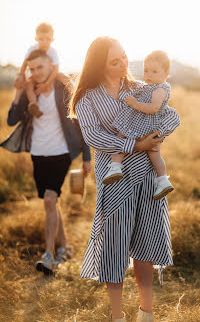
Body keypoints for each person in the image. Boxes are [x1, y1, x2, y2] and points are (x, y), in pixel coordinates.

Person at [69, 37, 173, 322]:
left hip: (146, 178)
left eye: (124, 57)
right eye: (115, 61)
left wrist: (157, 135)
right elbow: (92, 137)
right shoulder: (87, 97)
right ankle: (117, 317)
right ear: (98, 65)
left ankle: (146, 313)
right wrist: (133, 144)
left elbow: (161, 119)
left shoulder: (143, 89)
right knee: (114, 246)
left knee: (146, 243)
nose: (123, 64)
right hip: (114, 180)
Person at [0, 49, 91, 275]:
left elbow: (81, 123)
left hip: (62, 152)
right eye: (32, 68)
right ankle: (66, 247)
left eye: (40, 67)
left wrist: (87, 157)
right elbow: (12, 119)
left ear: (51, 64)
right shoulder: (32, 90)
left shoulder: (63, 88)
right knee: (53, 200)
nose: (36, 72)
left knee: (50, 200)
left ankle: (48, 255)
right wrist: (17, 92)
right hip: (38, 153)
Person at [102, 50, 180, 200]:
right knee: (154, 153)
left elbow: (153, 108)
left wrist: (134, 103)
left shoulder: (159, 90)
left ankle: (115, 166)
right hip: (149, 127)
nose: (148, 75)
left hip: (143, 124)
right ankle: (162, 180)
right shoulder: (150, 86)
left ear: (166, 73)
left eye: (154, 71)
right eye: (146, 70)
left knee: (121, 137)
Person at [14, 22, 72, 118]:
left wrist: (46, 84)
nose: (44, 42)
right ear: (36, 39)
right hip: (36, 74)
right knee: (29, 85)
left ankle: (74, 93)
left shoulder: (53, 52)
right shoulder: (32, 49)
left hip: (53, 73)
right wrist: (21, 75)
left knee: (63, 77)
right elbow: (25, 63)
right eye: (41, 39)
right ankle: (33, 104)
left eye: (48, 39)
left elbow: (56, 69)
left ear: (52, 39)